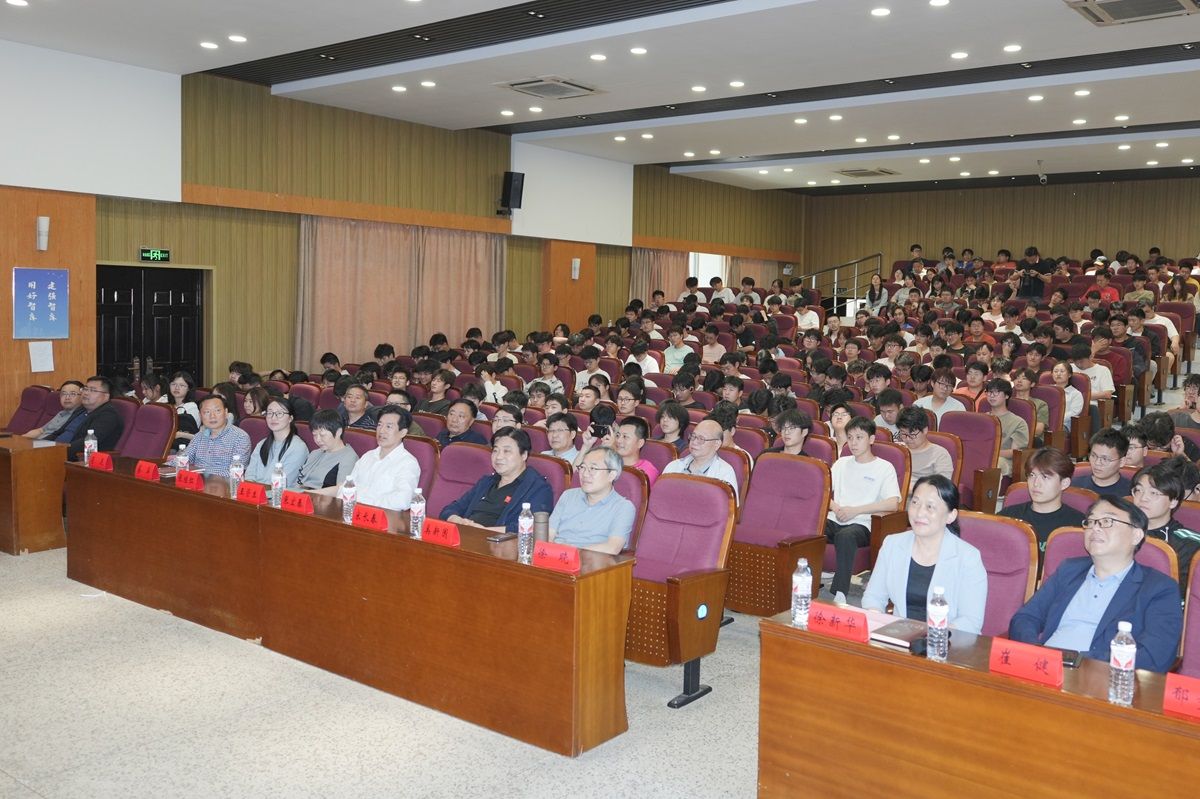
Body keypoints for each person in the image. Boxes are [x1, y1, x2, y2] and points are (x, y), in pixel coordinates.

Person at [1008, 496, 1182, 673]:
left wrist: (1076, 661)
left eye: (1107, 521)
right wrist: (1035, 651)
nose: (1095, 528)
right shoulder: (1069, 570)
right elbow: (1025, 618)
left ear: (1136, 535)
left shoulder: (1159, 588)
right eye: (1090, 522)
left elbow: (1155, 656)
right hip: (1042, 669)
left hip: (1102, 678)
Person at [862, 475, 987, 633]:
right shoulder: (892, 544)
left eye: (930, 507)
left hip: (946, 642)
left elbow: (971, 621)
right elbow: (873, 596)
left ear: (951, 516)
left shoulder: (968, 558)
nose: (919, 513)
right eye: (915, 503)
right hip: (898, 638)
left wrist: (930, 637)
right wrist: (877, 622)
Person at [824, 417, 901, 598]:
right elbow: (823, 491)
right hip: (835, 517)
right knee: (809, 528)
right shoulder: (841, 463)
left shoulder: (884, 467)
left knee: (846, 536)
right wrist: (835, 507)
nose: (853, 443)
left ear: (871, 439)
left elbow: (893, 503)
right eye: (850, 438)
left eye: (859, 437)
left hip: (863, 523)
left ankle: (839, 593)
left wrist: (855, 510)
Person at [441, 428, 554, 532]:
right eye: (495, 451)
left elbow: (532, 528)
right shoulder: (486, 482)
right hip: (467, 535)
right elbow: (451, 509)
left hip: (499, 544)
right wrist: (459, 521)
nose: (498, 457)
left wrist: (484, 531)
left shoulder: (538, 488)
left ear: (524, 455)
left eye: (506, 451)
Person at [999, 447, 1087, 559]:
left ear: (1064, 483)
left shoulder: (1078, 525)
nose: (1036, 484)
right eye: (1032, 475)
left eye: (1045, 477)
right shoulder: (1008, 516)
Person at [547, 446, 636, 555]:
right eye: (583, 467)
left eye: (593, 469)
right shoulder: (568, 496)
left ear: (611, 475)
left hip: (591, 562)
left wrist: (572, 552)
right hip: (554, 558)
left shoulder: (623, 507)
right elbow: (548, 534)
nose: (584, 474)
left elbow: (613, 547)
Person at [1131, 461, 1200, 598]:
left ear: (1173, 501)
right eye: (1138, 490)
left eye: (1154, 493)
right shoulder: (1119, 530)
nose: (1143, 498)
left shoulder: (1189, 544)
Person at [339, 404, 421, 511]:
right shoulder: (368, 456)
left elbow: (403, 501)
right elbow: (346, 487)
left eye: (389, 427)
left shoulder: (408, 463)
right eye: (379, 425)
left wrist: (364, 502)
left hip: (382, 517)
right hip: (352, 512)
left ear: (403, 432)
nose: (381, 431)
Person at [662, 419, 739, 501]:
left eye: (701, 439)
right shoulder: (673, 466)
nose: (694, 442)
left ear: (717, 444)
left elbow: (727, 507)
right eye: (693, 436)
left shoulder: (725, 473)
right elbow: (659, 498)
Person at [245, 397, 308, 487]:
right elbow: (249, 474)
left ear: (290, 418)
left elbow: (282, 483)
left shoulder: (298, 448)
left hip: (278, 493)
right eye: (270, 413)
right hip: (255, 492)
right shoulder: (262, 444)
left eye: (279, 413)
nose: (273, 418)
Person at [183, 393, 252, 475]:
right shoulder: (200, 435)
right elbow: (183, 459)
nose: (212, 416)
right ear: (200, 415)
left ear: (226, 412)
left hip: (224, 482)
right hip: (197, 480)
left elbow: (235, 472)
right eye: (207, 412)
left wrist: (206, 479)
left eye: (217, 411)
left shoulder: (240, 438)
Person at [62, 376, 125, 460]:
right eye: (85, 389)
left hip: (81, 459)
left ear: (106, 396)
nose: (86, 393)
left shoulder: (108, 415)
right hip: (59, 451)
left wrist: (58, 451)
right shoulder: (81, 409)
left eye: (92, 390)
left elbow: (87, 443)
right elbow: (59, 432)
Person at [298, 409, 360, 490]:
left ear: (338, 432)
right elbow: (300, 481)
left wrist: (307, 493)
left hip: (321, 496)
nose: (318, 440)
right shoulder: (315, 453)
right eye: (314, 435)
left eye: (322, 435)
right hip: (302, 494)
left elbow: (341, 489)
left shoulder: (349, 457)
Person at [983, 378, 1029, 478]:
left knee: (992, 464)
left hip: (1004, 461)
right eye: (989, 392)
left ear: (1007, 395)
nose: (991, 395)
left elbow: (1014, 452)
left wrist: (990, 453)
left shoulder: (1018, 422)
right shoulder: (982, 418)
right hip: (980, 456)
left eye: (997, 392)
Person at [895, 407, 953, 480]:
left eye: (912, 434)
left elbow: (942, 485)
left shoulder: (940, 454)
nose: (908, 439)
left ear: (925, 430)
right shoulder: (898, 450)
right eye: (903, 434)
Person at [1073, 427, 1132, 496]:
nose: (1097, 463)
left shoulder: (1131, 493)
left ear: (1122, 462)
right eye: (1093, 456)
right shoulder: (1074, 486)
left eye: (1105, 459)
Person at [610, 416, 659, 485]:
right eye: (618, 435)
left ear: (640, 443)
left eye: (625, 437)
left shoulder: (647, 472)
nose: (619, 440)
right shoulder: (609, 463)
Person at [1051, 361, 1084, 432]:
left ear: (1069, 374)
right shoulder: (1048, 391)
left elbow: (1074, 412)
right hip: (1046, 423)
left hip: (1063, 425)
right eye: (1055, 371)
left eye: (1062, 371)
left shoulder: (1076, 394)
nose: (1058, 374)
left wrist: (1055, 419)